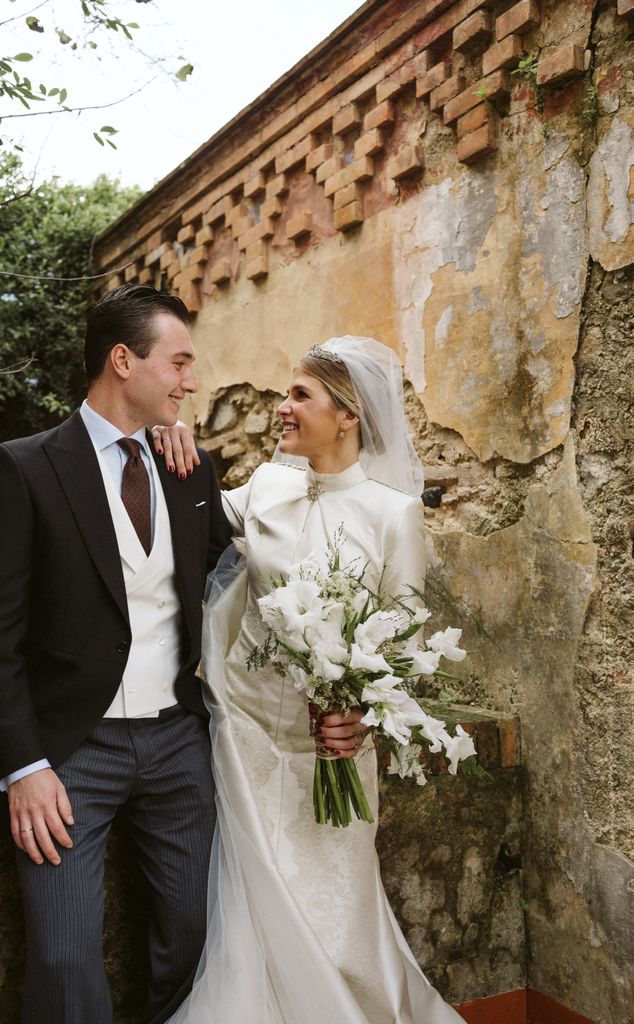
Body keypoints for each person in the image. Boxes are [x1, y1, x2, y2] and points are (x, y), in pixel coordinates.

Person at [155, 336, 465, 1023]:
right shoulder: (265, 486)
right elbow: (198, 516)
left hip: (333, 752)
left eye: (300, 395)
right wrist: (169, 442)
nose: (282, 409)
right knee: (253, 916)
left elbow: (401, 639)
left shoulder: (394, 513)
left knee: (335, 920)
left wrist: (363, 716)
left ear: (348, 414)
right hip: (246, 741)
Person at [0, 284, 236, 1024]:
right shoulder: (27, 468)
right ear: (124, 360)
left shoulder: (189, 471)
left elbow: (240, 590)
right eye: (178, 362)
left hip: (179, 743)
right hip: (70, 753)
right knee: (63, 953)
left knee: (196, 933)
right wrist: (24, 765)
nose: (192, 380)